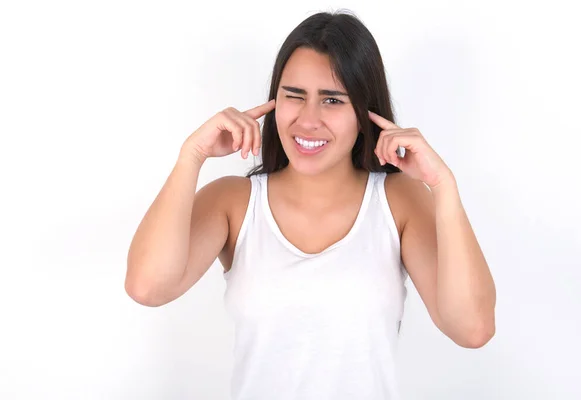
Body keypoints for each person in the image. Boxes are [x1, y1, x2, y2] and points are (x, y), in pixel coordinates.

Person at [125, 9, 496, 400]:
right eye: (294, 96)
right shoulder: (234, 202)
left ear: (364, 112)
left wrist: (444, 186)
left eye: (332, 100)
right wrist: (191, 156)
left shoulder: (398, 199)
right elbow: (147, 287)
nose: (308, 119)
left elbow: (472, 328)